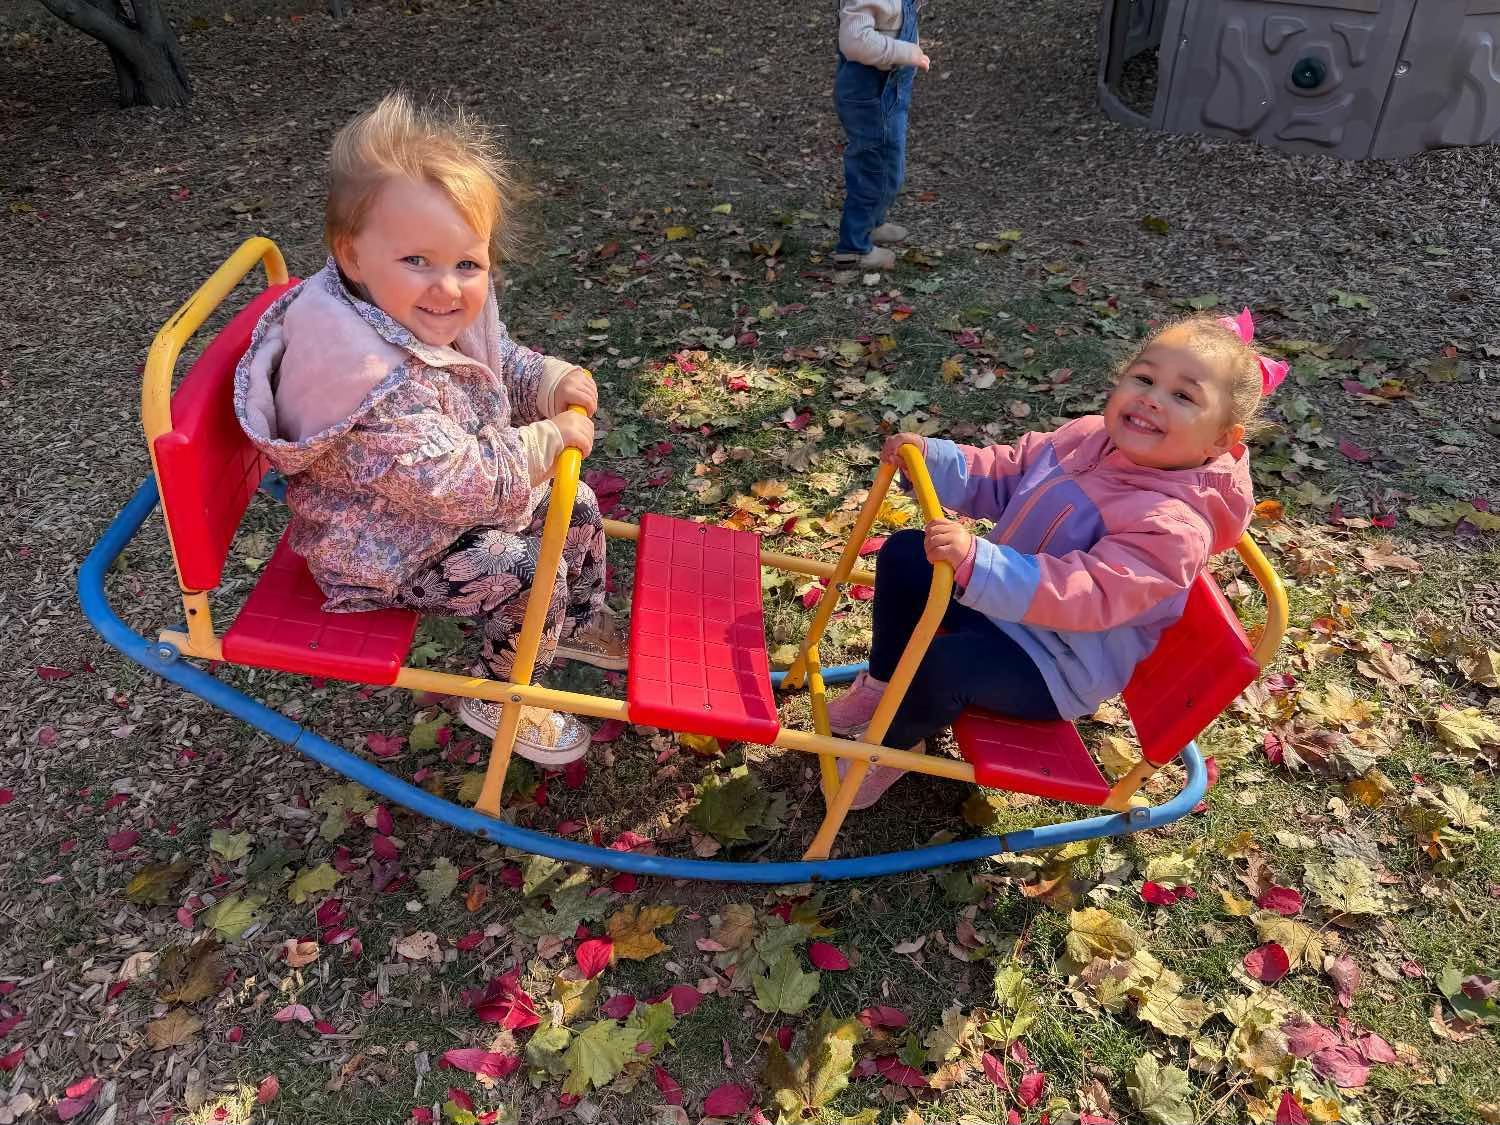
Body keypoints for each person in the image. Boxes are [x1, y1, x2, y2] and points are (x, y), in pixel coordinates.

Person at [235, 92, 624, 767]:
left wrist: (549, 379)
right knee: (526, 571)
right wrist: (547, 438)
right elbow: (457, 484)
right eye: (417, 261)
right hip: (383, 542)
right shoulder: (367, 378)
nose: (447, 286)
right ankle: (502, 693)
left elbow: (492, 362)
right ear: (352, 255)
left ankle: (579, 626)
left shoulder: (423, 309)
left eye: (468, 265)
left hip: (434, 505)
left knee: (578, 503)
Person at [825, 310, 1288, 807]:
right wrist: (938, 462)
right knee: (904, 555)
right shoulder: (1086, 437)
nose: (1152, 398)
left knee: (948, 664)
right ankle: (883, 683)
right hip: (1001, 606)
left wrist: (980, 563)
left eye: (1183, 396)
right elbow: (1006, 473)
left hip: (1054, 663)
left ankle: (892, 747)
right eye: (1145, 378)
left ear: (1220, 440)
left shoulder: (1172, 525)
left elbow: (1087, 594)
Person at [832, 0, 931, 271]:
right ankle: (853, 248)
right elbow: (855, 41)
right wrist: (907, 52)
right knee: (874, 168)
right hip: (870, 92)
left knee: (889, 165)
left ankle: (871, 223)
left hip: (890, 90)